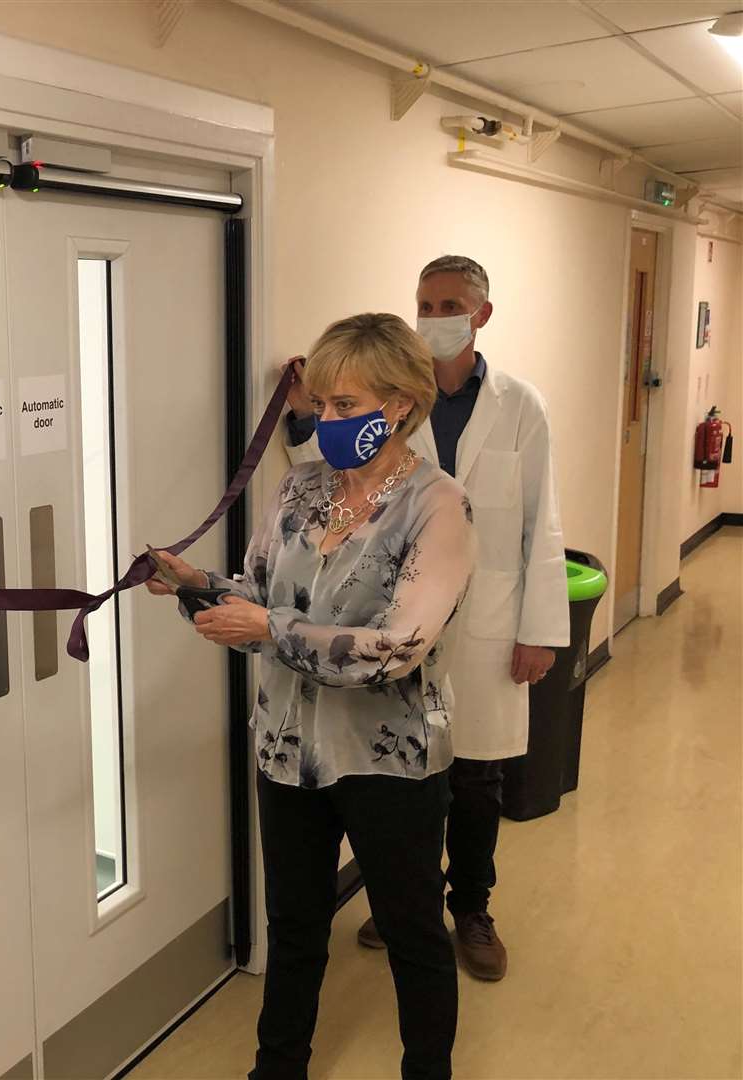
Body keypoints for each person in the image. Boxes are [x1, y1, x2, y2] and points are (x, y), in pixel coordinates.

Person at [150, 313, 476, 1080]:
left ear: (400, 405)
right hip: (287, 750)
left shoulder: (440, 505)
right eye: (320, 404)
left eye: (344, 406)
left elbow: (399, 647)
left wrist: (268, 626)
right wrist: (197, 585)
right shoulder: (299, 488)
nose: (324, 422)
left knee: (413, 933)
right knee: (294, 927)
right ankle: (278, 1068)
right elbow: (257, 596)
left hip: (390, 761)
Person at [281, 255, 569, 981]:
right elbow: (326, 452)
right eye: (425, 302)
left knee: (476, 778)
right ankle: (407, 901)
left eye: (450, 303)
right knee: (412, 775)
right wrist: (307, 402)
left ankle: (471, 908)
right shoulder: (393, 397)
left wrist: (539, 629)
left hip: (488, 624)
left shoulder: (519, 405)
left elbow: (543, 521)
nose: (435, 314)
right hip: (401, 613)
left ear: (481, 314)